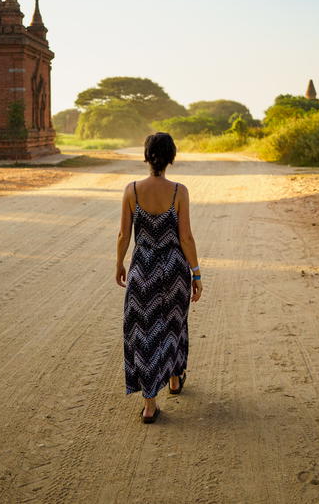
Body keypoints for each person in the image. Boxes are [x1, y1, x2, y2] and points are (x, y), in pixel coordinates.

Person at [116, 132, 203, 423]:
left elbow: (123, 235)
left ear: (146, 156)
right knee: (174, 324)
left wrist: (119, 263)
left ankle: (149, 404)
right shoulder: (180, 191)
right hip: (174, 271)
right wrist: (196, 273)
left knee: (143, 332)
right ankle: (175, 378)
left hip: (142, 271)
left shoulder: (132, 190)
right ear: (171, 158)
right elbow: (186, 237)